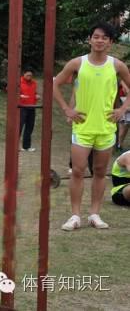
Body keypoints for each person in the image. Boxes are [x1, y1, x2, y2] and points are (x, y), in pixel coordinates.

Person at [53, 21, 130, 231]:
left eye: (104, 38)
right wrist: (67, 110)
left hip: (106, 129)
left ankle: (95, 214)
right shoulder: (77, 63)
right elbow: (54, 83)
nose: (99, 40)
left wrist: (122, 110)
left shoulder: (116, 65)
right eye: (96, 36)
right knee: (77, 171)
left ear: (110, 42)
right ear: (90, 40)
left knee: (99, 172)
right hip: (83, 128)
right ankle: (75, 216)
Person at [19, 68, 40, 152]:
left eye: (31, 75)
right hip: (21, 107)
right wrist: (20, 96)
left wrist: (36, 96)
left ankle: (26, 146)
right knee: (19, 126)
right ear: (23, 75)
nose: (29, 77)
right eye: (27, 75)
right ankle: (15, 146)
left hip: (32, 107)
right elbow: (9, 90)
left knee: (29, 127)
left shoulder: (34, 83)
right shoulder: (18, 81)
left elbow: (34, 93)